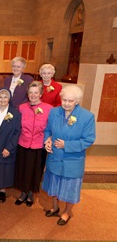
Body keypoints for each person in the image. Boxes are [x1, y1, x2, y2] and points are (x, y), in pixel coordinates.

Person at [42, 85, 95, 226]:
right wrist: (47, 140)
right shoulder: (54, 112)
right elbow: (47, 130)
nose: (66, 103)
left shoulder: (87, 116)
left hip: (73, 160)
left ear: (77, 101)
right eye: (64, 100)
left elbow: (88, 140)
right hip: (54, 157)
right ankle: (55, 207)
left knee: (69, 188)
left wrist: (67, 145)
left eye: (70, 101)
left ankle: (66, 212)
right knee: (54, 185)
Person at [14, 81, 53, 207]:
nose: (33, 95)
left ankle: (31, 193)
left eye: (36, 93)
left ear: (41, 94)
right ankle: (23, 192)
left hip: (39, 145)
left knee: (35, 170)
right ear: (27, 94)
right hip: (23, 143)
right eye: (30, 93)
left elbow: (51, 127)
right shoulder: (22, 108)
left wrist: (49, 139)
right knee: (23, 169)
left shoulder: (49, 109)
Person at [0, 88, 21, 203]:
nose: (3, 99)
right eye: (0, 97)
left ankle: (3, 191)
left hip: (6, 146)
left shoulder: (15, 113)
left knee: (4, 170)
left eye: (5, 97)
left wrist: (9, 148)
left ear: (9, 99)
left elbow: (17, 132)